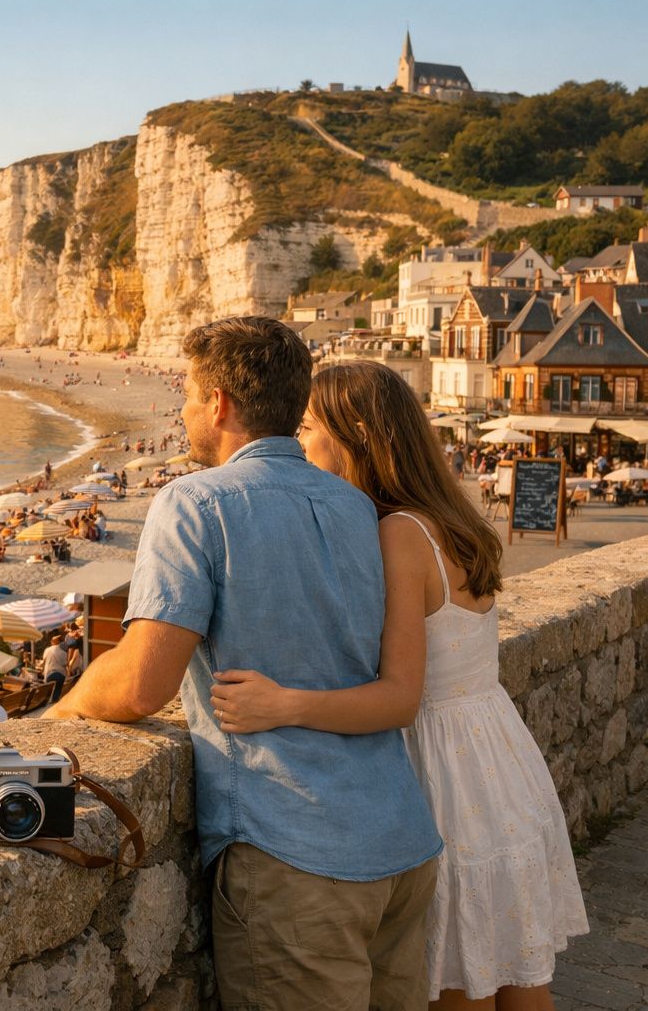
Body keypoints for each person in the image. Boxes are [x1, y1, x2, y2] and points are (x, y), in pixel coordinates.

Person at [45, 316, 441, 1009]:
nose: (185, 412)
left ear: (220, 404)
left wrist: (64, 707)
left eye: (190, 397)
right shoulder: (356, 507)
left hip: (296, 850)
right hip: (399, 842)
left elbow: (143, 683)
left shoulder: (195, 502)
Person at [208, 361, 588, 1009]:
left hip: (443, 779)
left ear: (354, 433)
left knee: (457, 982)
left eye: (309, 428)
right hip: (499, 765)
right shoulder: (451, 521)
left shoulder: (398, 534)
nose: (299, 445)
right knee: (520, 978)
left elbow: (400, 697)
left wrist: (283, 703)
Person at [40, 636, 69, 702]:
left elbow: (43, 661)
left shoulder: (47, 650)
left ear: (52, 642)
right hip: (60, 674)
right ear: (59, 642)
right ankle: (54, 700)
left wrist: (42, 670)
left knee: (48, 690)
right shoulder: (64, 653)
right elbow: (66, 665)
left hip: (49, 674)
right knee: (58, 689)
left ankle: (47, 701)